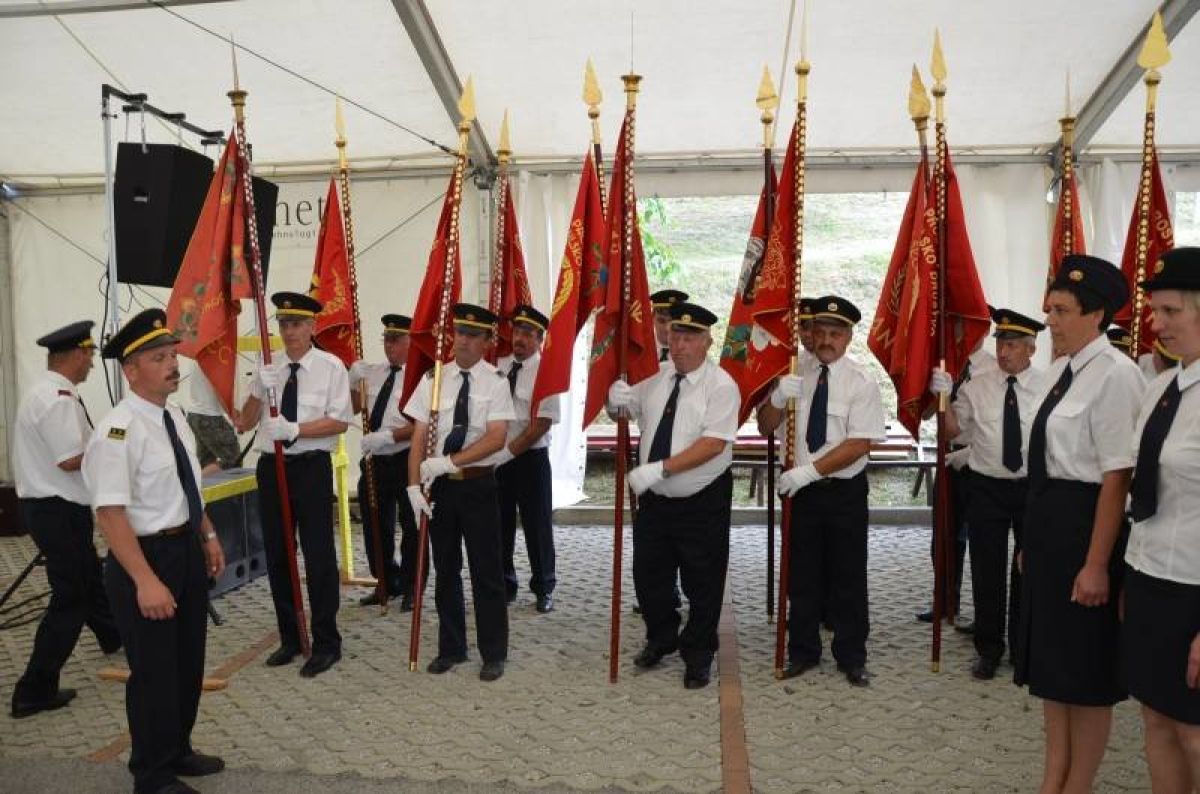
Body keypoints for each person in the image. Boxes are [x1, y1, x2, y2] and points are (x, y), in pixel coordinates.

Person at [1015, 254, 1144, 794]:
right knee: (1053, 666)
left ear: (1096, 315)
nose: (1050, 321)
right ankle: (1054, 777)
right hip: (1050, 528)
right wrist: (1031, 540)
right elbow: (1043, 465)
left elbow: (1117, 477)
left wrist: (1096, 564)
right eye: (1049, 309)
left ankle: (1079, 784)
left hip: (1087, 529)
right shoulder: (1062, 372)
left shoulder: (1116, 374)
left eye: (1062, 311)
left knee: (1085, 671)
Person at [84, 308, 226, 794]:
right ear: (130, 370)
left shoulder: (173, 418)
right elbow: (110, 514)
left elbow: (187, 488)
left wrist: (207, 535)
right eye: (158, 358)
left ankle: (177, 748)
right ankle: (151, 773)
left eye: (172, 355)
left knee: (187, 662)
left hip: (184, 549)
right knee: (154, 672)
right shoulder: (118, 431)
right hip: (144, 557)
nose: (172, 365)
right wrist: (145, 580)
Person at [607, 301, 738, 689]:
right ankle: (661, 637)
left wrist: (659, 468)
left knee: (703, 580)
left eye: (689, 338)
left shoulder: (721, 386)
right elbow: (623, 413)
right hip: (656, 501)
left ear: (707, 342)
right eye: (675, 335)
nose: (679, 345)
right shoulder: (655, 376)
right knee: (650, 576)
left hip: (702, 500)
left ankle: (698, 653)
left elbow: (713, 444)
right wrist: (613, 400)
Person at [758, 296, 886, 687]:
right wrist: (777, 398)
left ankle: (852, 656)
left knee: (848, 576)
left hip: (843, 492)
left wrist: (809, 472)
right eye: (821, 331)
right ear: (811, 332)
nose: (827, 340)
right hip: (801, 494)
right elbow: (765, 425)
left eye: (836, 333)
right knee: (802, 576)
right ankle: (802, 652)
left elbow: (860, 443)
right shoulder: (792, 372)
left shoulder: (861, 382)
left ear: (848, 337)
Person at [235, 291, 352, 678]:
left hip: (310, 467)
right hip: (272, 468)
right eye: (284, 324)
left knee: (319, 556)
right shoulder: (269, 365)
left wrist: (296, 429)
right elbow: (243, 422)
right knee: (278, 553)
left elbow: (339, 421)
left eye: (297, 324)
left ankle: (326, 641)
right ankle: (291, 636)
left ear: (312, 326)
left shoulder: (331, 367)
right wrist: (257, 389)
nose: (289, 331)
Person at [11, 320, 121, 719]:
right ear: (76, 354)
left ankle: (114, 636)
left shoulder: (50, 391)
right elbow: (70, 459)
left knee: (89, 578)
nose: (92, 363)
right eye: (89, 355)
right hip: (56, 508)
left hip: (57, 507)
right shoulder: (57, 399)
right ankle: (33, 690)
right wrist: (115, 441)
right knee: (71, 597)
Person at [1121, 246, 1200, 791]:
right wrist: (1133, 575)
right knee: (1156, 718)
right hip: (1150, 578)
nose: (1157, 324)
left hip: (1194, 588)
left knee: (1193, 732)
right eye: (1155, 311)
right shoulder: (1160, 390)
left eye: (1171, 311)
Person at [932, 307, 1045, 680]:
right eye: (1000, 344)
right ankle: (989, 649)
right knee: (986, 570)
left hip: (1032, 488)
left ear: (1030, 349)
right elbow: (952, 431)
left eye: (1012, 345)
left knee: (1029, 570)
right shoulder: (977, 386)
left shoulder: (1048, 386)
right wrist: (942, 400)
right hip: (986, 487)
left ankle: (1024, 647)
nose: (1003, 352)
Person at [405, 304, 514, 682]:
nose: (463, 340)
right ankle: (451, 647)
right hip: (439, 490)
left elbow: (496, 437)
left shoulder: (495, 382)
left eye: (472, 335)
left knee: (487, 571)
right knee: (446, 568)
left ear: (487, 341)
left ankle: (493, 652)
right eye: (459, 332)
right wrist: (412, 486)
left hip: (478, 485)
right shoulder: (433, 378)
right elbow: (419, 436)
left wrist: (450, 462)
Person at [916, 336, 997, 626]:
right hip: (948, 457)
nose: (961, 332)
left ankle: (985, 615)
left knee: (983, 541)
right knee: (944, 535)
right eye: (957, 324)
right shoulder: (945, 363)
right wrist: (935, 391)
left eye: (968, 324)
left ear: (983, 330)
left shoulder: (995, 367)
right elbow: (926, 413)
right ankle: (945, 602)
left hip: (980, 458)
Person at [349, 314, 422, 611]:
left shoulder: (421, 376)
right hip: (375, 460)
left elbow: (423, 424)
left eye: (396, 340)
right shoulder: (374, 372)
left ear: (410, 342)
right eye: (386, 340)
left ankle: (412, 587)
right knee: (375, 525)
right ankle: (386, 582)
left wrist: (389, 436)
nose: (389, 346)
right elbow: (355, 408)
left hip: (407, 457)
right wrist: (353, 383)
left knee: (411, 526)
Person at [494, 304, 560, 613]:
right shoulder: (498, 365)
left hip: (530, 459)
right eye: (517, 331)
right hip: (497, 458)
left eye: (528, 334)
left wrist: (510, 451)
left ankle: (544, 587)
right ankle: (504, 585)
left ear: (540, 339)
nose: (519, 338)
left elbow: (542, 423)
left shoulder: (547, 372)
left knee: (537, 526)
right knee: (499, 524)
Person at [183, 366, 241, 475]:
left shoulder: (200, 358)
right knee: (233, 459)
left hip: (195, 414)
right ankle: (195, 481)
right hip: (209, 416)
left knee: (206, 461)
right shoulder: (217, 358)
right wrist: (235, 418)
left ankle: (198, 482)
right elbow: (220, 389)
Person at [650, 289, 688, 363]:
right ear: (652, 317)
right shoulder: (640, 348)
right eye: (661, 321)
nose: (667, 328)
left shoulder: (691, 353)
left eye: (673, 323)